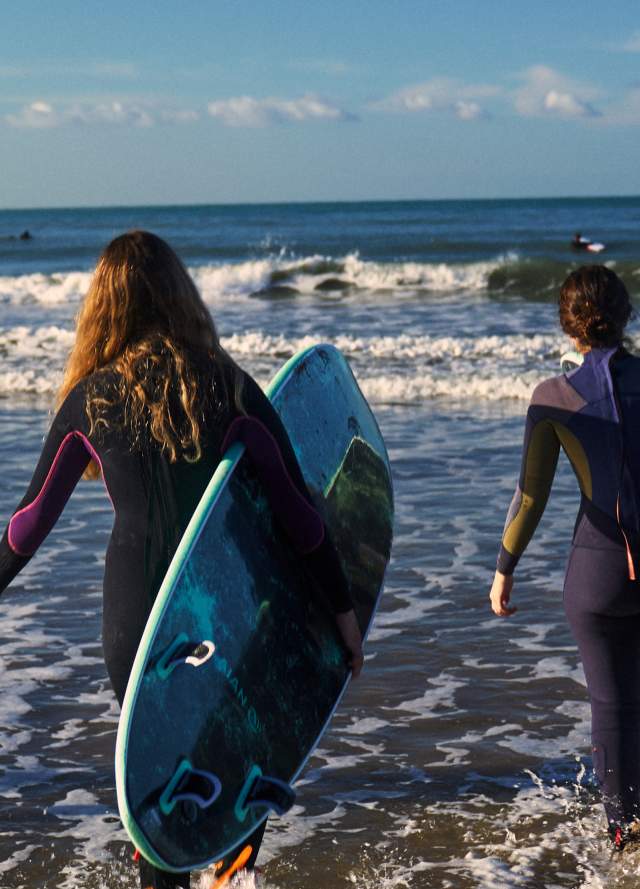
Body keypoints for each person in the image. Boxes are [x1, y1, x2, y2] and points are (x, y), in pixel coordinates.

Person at [0, 230, 364, 888]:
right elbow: (302, 518)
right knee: (230, 794)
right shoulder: (228, 387)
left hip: (137, 630)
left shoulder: (93, 398)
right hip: (224, 622)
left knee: (163, 805)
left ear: (101, 307)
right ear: (180, 294)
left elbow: (26, 528)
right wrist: (343, 612)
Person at [489, 265, 640, 850]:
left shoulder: (552, 397)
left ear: (568, 325)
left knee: (612, 704)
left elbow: (531, 496)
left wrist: (504, 568)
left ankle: (623, 833)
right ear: (626, 315)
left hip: (597, 574)